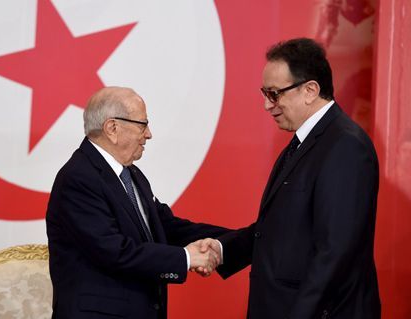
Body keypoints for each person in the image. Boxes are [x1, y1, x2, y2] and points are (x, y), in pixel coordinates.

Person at [200, 38, 380, 318]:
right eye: (265, 93)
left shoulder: (346, 146)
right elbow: (280, 229)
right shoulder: (304, 143)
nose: (266, 105)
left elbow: (335, 252)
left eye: (274, 94)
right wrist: (223, 249)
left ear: (310, 90)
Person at [46, 86, 230, 319]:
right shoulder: (78, 177)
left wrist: (237, 241)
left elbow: (168, 227)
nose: (149, 134)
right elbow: (113, 250)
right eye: (142, 125)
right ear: (112, 128)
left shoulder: (132, 175)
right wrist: (185, 258)